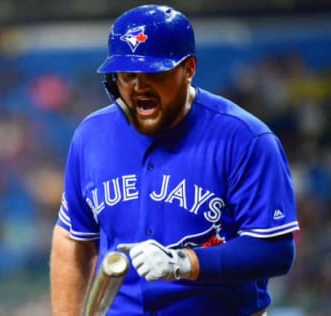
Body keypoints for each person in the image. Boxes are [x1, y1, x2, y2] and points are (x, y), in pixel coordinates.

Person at [50, 4, 300, 316]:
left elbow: (275, 251)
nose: (139, 87)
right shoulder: (90, 137)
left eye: (154, 73)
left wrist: (182, 263)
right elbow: (73, 237)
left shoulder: (246, 139)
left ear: (189, 69)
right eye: (128, 75)